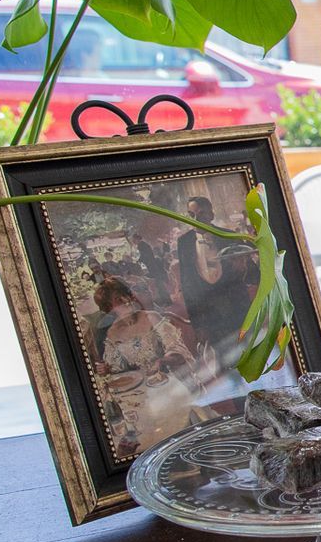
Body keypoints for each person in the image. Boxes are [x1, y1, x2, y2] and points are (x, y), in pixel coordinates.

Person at [91, 277, 195, 456]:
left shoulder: (151, 317)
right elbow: (117, 368)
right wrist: (106, 369)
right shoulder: (113, 332)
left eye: (122, 297)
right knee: (126, 420)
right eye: (114, 303)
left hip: (164, 382)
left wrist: (162, 361)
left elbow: (177, 349)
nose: (122, 303)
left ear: (129, 296)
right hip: (136, 391)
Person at [175, 194, 255, 370]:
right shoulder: (184, 243)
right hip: (210, 316)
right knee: (225, 367)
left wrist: (244, 266)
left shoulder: (230, 236)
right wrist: (198, 325)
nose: (196, 219)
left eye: (201, 214)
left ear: (211, 215)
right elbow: (188, 286)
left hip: (237, 311)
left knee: (249, 359)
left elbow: (253, 275)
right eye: (192, 215)